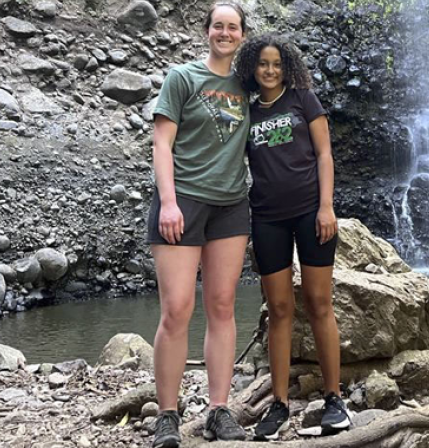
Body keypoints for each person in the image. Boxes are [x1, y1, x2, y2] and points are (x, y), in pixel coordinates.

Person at [235, 34, 351, 441]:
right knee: (279, 309)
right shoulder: (247, 113)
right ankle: (280, 405)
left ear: (288, 68)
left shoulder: (304, 99)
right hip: (267, 218)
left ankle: (335, 400)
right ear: (252, 68)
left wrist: (326, 206)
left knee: (319, 303)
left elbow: (324, 154)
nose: (270, 70)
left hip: (309, 213)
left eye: (277, 64)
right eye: (263, 64)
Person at [147, 2, 251, 446]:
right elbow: (161, 142)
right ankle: (167, 416)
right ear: (206, 31)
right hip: (183, 200)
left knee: (223, 306)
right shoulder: (183, 78)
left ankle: (218, 409)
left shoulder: (250, 85)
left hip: (231, 205)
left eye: (233, 27)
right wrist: (168, 202)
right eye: (218, 26)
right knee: (177, 309)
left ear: (242, 35)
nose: (225, 33)